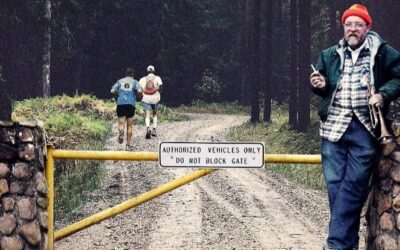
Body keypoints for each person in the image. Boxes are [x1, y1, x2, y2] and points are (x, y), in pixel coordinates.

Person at [310, 4, 400, 249]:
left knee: (353, 187)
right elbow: (321, 83)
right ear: (344, 27)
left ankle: (335, 245)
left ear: (367, 27)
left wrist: (383, 94)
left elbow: (398, 76)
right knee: (335, 189)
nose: (352, 29)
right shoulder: (329, 54)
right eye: (349, 24)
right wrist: (319, 84)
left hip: (365, 128)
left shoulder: (382, 52)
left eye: (358, 25)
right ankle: (345, 245)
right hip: (332, 130)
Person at [111, 67, 141, 150]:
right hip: (130, 104)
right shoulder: (135, 82)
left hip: (120, 104)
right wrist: (139, 97)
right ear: (133, 74)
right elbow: (139, 91)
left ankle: (121, 132)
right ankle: (128, 145)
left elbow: (112, 91)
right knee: (130, 126)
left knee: (121, 124)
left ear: (126, 74)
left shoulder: (120, 81)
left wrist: (117, 97)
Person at [139, 65, 163, 139]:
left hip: (146, 98)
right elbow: (161, 86)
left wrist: (140, 97)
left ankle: (148, 128)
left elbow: (139, 89)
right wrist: (158, 91)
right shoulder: (157, 78)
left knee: (147, 114)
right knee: (154, 114)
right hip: (155, 98)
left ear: (147, 71)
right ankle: (154, 130)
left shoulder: (143, 79)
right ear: (154, 71)